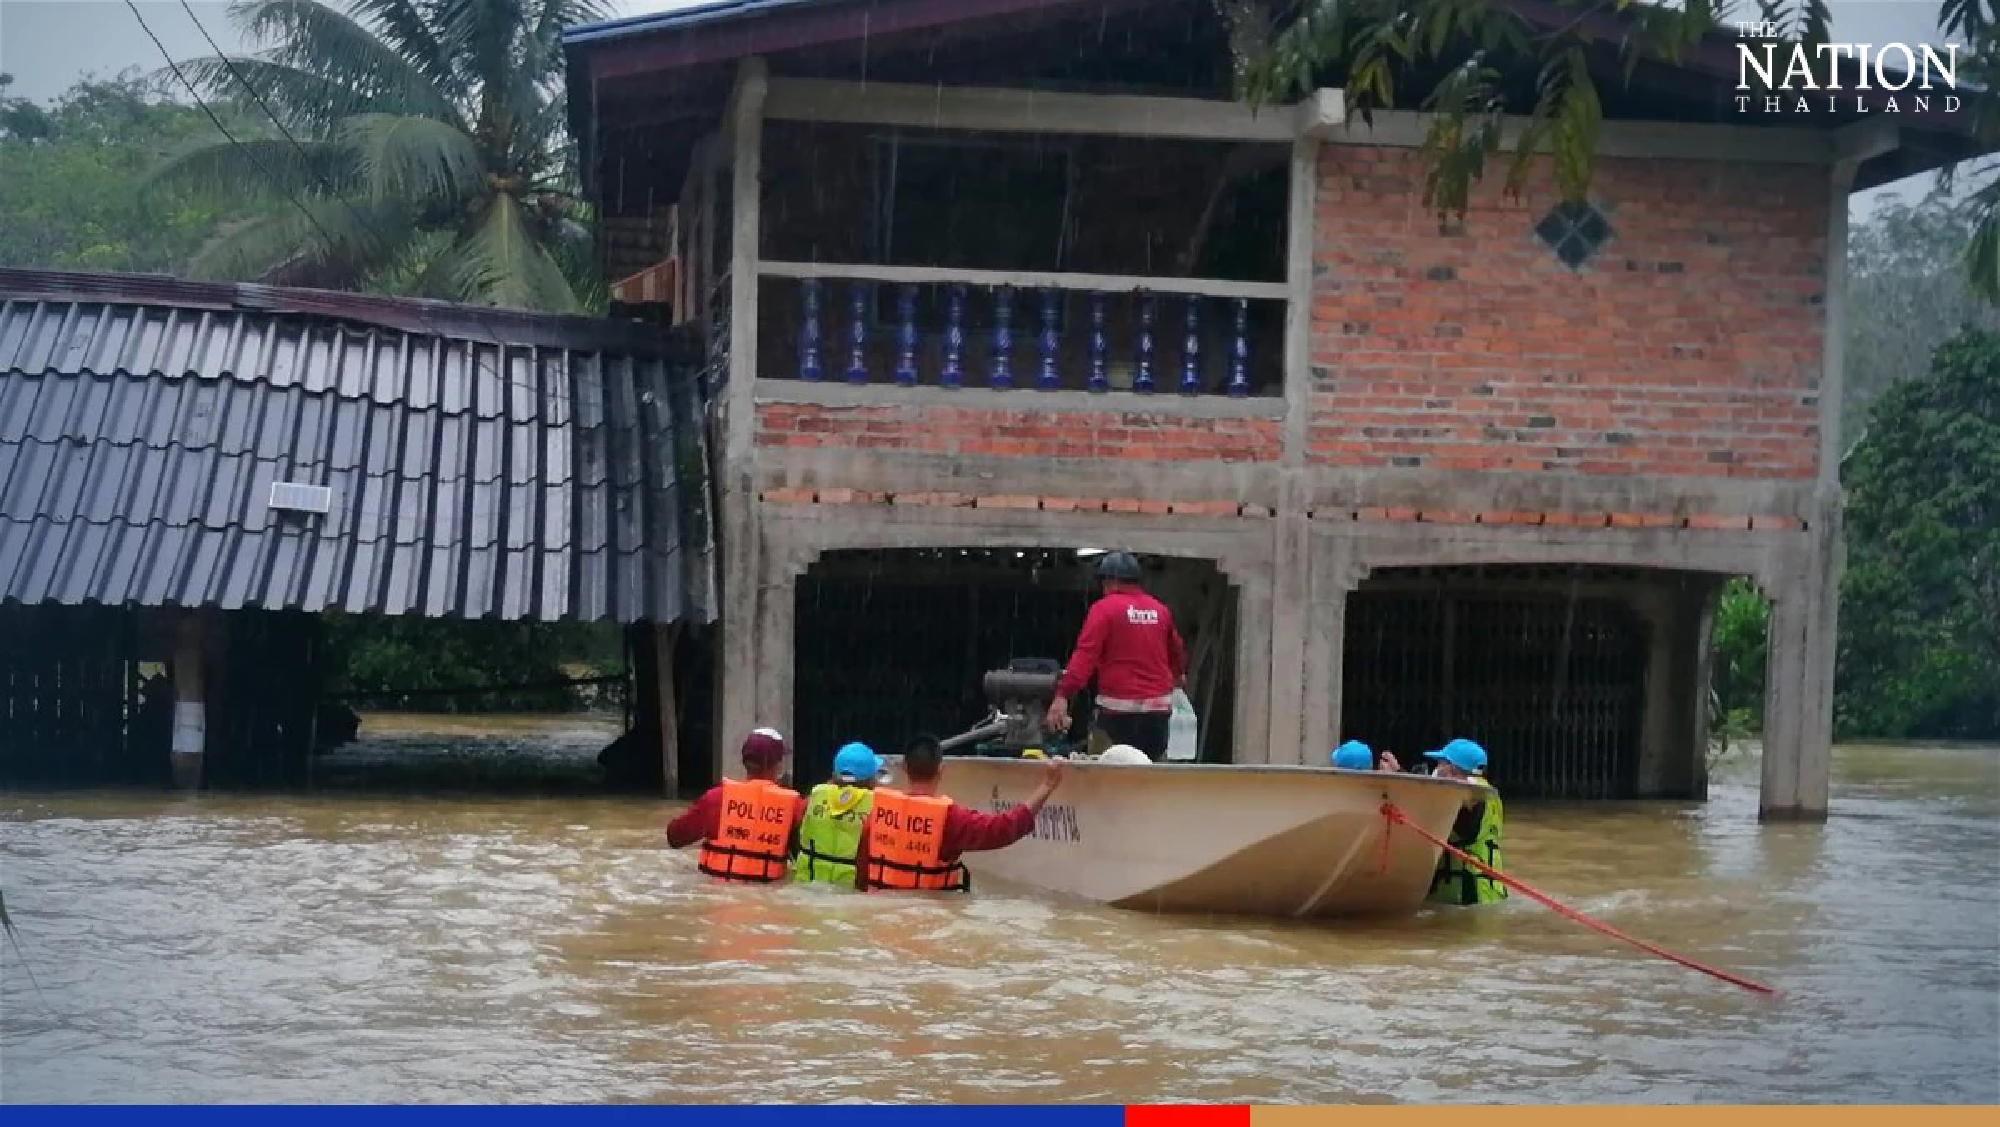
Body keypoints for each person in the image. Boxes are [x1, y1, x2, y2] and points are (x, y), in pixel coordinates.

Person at [856, 734, 1066, 892]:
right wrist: (1047, 786)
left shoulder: (878, 814)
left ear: (904, 767)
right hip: (929, 920)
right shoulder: (949, 819)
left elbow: (862, 875)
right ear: (941, 770)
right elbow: (1004, 829)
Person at [1045, 551, 1187, 761]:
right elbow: (1177, 652)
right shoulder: (1160, 611)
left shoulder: (1104, 610)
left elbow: (1085, 657)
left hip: (1117, 714)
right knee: (1152, 773)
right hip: (1157, 714)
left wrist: (1063, 695)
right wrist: (1178, 675)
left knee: (1104, 775)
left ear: (1109, 582)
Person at [665, 728, 806, 884]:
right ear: (777, 764)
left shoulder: (716, 798)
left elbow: (674, 836)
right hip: (765, 896)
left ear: (745, 762)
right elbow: (800, 856)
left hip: (717, 893)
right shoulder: (794, 805)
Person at [1424, 738, 1507, 906]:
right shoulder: (1486, 793)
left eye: (1441, 763)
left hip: (1468, 892)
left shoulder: (1472, 797)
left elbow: (1464, 830)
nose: (1437, 769)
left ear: (1453, 769)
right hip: (1487, 890)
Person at [791, 742, 885, 887]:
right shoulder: (877, 808)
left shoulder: (812, 798)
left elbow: (796, 840)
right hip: (849, 895)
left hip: (806, 887)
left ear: (834, 775)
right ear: (872, 779)